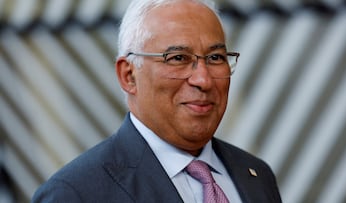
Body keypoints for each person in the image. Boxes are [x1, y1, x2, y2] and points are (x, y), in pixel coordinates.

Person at [32, 0, 282, 202]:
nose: (203, 80)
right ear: (129, 75)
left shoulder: (255, 175)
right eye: (178, 58)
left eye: (215, 58)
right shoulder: (75, 193)